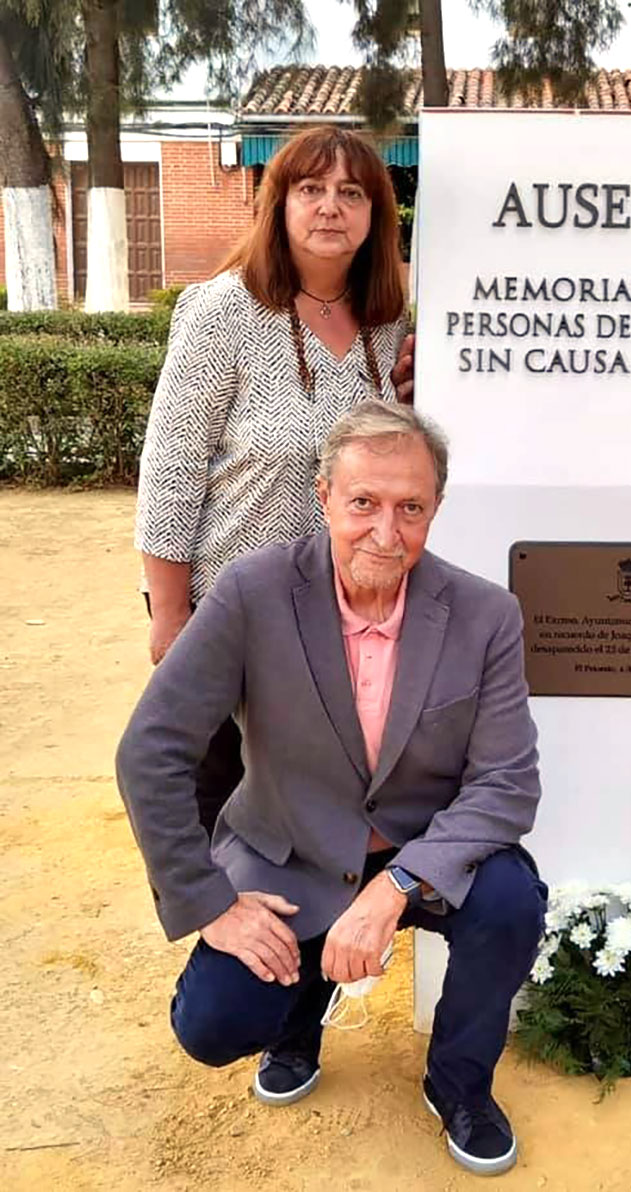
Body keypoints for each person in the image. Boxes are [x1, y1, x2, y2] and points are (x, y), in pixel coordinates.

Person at [117, 402, 544, 1177]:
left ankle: (460, 1085)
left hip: (422, 856)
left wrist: (396, 889)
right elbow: (152, 749)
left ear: (436, 509)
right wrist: (209, 903)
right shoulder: (253, 590)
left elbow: (507, 783)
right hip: (290, 853)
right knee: (212, 1026)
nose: (387, 530)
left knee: (512, 903)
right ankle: (295, 1022)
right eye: (364, 504)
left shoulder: (487, 614)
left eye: (410, 507)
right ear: (323, 498)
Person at [135, 126, 411, 836]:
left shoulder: (392, 327)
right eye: (310, 189)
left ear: (377, 213)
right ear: (278, 204)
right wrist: (171, 618)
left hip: (349, 627)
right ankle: (232, 944)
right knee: (225, 818)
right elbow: (170, 473)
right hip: (231, 618)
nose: (330, 207)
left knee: (325, 820)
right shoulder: (223, 313)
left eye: (351, 193)